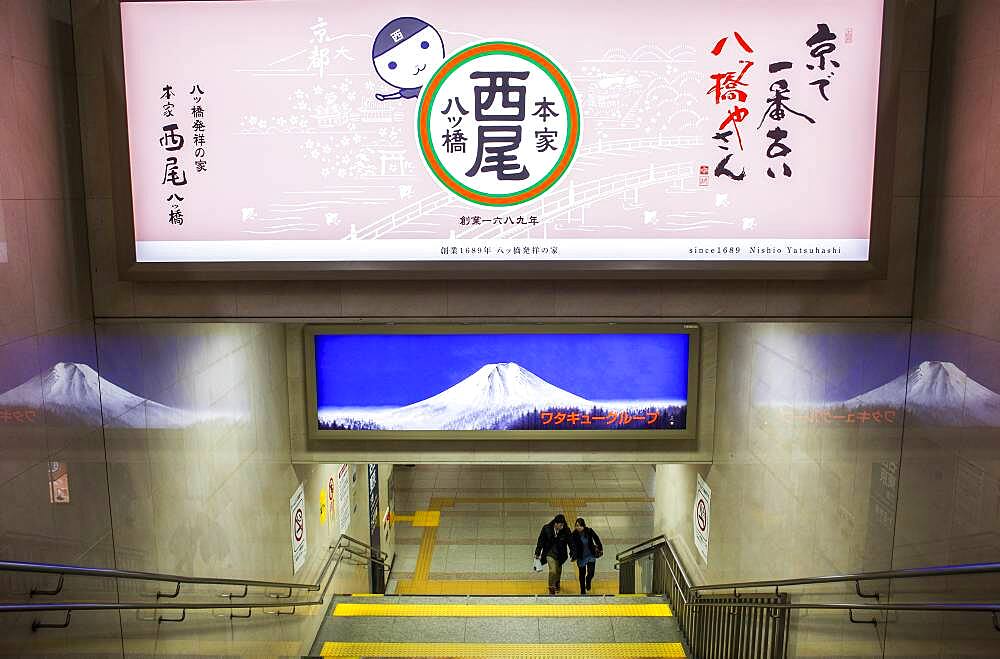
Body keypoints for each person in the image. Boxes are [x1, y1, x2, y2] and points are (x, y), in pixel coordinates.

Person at [534, 514, 570, 594]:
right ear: (555, 524)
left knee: (558, 570)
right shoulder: (546, 528)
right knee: (553, 570)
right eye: (561, 525)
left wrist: (573, 552)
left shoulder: (566, 530)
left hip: (560, 554)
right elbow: (541, 541)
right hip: (549, 552)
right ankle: (551, 587)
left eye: (563, 524)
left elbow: (571, 542)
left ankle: (557, 583)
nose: (562, 526)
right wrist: (537, 552)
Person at [569, 517, 604, 594]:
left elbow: (596, 538)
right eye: (577, 525)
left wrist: (600, 548)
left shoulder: (589, 531)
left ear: (584, 526)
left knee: (591, 573)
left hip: (591, 555)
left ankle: (588, 581)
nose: (578, 527)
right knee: (582, 574)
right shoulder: (573, 535)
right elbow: (572, 546)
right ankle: (582, 590)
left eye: (580, 526)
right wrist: (572, 554)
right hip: (581, 557)